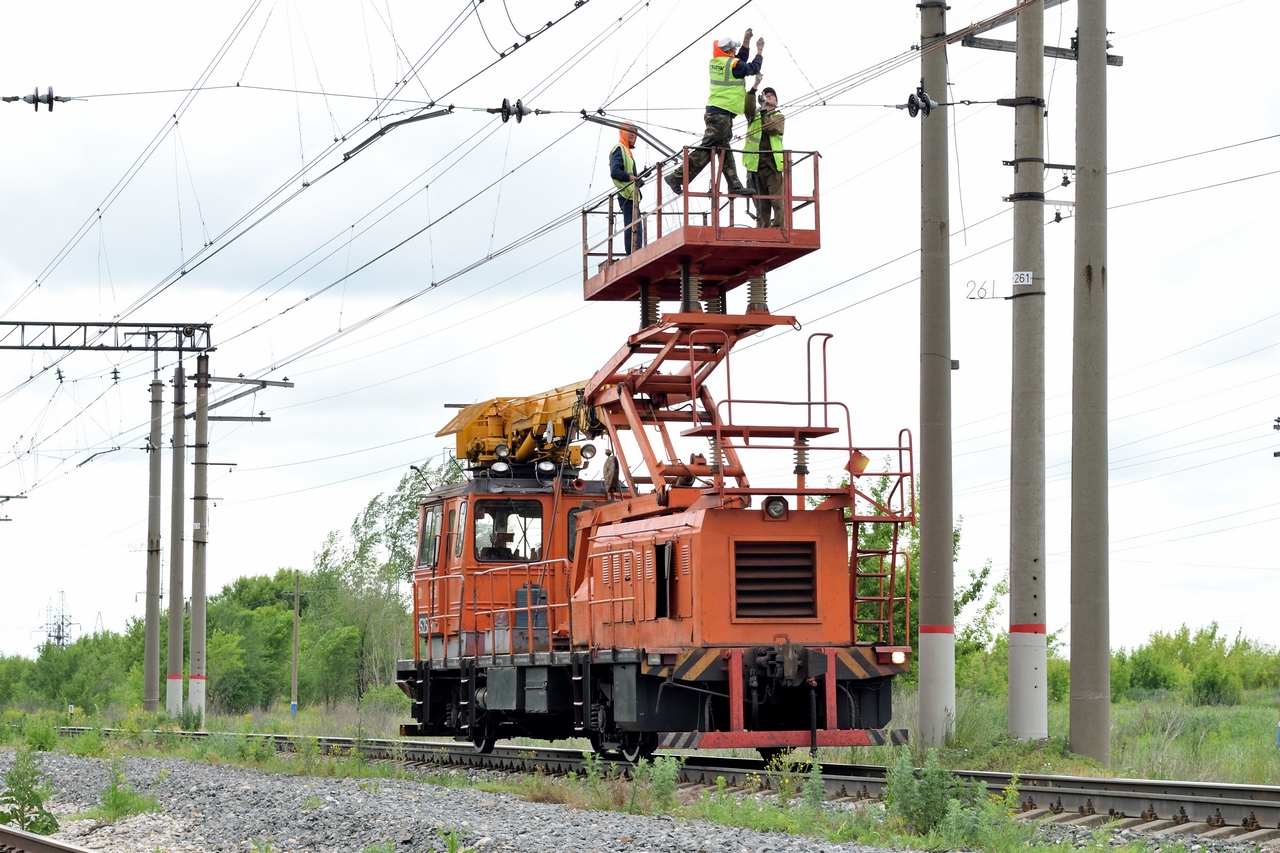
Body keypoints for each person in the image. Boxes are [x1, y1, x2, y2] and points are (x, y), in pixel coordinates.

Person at [665, 29, 764, 198]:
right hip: (721, 115)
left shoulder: (719, 62)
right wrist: (759, 51)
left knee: (724, 150)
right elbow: (752, 67)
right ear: (729, 52)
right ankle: (676, 176)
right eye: (733, 50)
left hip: (717, 112)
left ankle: (735, 185)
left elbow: (740, 61)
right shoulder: (733, 65)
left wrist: (745, 42)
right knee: (706, 150)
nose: (735, 53)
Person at [744, 84, 786, 228]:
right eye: (765, 94)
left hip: (772, 165)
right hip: (755, 165)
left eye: (771, 95)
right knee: (761, 204)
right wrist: (753, 89)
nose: (768, 96)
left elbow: (771, 128)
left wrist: (763, 111)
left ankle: (779, 228)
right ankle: (763, 231)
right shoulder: (753, 115)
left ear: (776, 102)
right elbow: (747, 106)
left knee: (777, 200)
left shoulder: (779, 116)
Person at [608, 122, 645, 255]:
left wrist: (637, 178)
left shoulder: (627, 151)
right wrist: (632, 178)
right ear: (623, 132)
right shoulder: (619, 149)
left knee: (636, 226)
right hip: (625, 194)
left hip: (631, 193)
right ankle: (633, 253)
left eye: (634, 131)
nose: (632, 134)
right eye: (630, 131)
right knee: (631, 225)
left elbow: (628, 174)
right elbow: (615, 172)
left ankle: (636, 251)